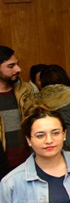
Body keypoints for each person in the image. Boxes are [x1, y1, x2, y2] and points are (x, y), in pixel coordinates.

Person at [0, 46, 35, 174]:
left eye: (17, 64)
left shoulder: (24, 90)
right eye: (11, 66)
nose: (18, 69)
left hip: (27, 161)